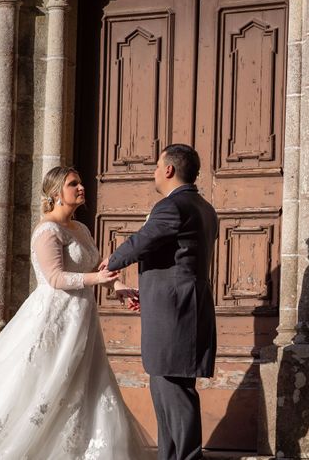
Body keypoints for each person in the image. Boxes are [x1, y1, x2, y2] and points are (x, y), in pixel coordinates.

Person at [0, 166, 149, 459]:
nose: (81, 188)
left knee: (86, 383)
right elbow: (56, 279)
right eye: (73, 184)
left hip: (83, 318)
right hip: (55, 317)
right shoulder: (47, 230)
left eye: (80, 182)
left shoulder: (83, 229)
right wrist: (97, 280)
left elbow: (94, 268)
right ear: (55, 193)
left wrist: (120, 288)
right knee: (44, 382)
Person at [105, 144, 218, 460]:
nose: (154, 172)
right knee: (166, 388)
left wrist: (112, 262)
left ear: (168, 169)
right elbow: (178, 258)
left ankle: (187, 457)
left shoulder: (172, 207)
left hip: (175, 313)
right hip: (183, 308)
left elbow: (143, 241)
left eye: (156, 166)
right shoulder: (204, 207)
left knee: (173, 392)